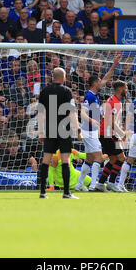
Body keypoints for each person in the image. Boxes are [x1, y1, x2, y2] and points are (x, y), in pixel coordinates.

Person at [75, 55, 120, 192]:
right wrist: (91, 120)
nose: (102, 82)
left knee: (89, 159)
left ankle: (79, 185)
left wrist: (114, 65)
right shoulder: (89, 96)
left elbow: (106, 77)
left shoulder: (94, 94)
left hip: (91, 130)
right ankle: (94, 185)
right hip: (88, 130)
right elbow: (82, 112)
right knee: (99, 158)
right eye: (100, 81)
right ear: (95, 83)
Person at [37, 67, 82, 199]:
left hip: (50, 129)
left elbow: (41, 112)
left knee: (46, 160)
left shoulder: (45, 91)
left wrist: (41, 132)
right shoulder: (67, 91)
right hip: (64, 129)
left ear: (53, 77)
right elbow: (72, 112)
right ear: (63, 77)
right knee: (65, 160)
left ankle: (42, 192)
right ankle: (67, 192)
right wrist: (78, 130)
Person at [95, 80, 128, 192]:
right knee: (121, 158)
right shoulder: (113, 101)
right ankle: (112, 182)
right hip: (108, 134)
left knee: (113, 159)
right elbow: (111, 121)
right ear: (120, 89)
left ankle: (100, 183)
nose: (127, 90)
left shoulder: (116, 101)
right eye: (126, 88)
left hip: (108, 134)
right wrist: (122, 133)